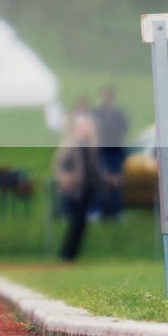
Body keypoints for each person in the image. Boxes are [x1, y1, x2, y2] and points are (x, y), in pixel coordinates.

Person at [53, 111, 103, 261]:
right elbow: (59, 164)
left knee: (80, 223)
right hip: (75, 189)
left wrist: (109, 179)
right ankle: (67, 254)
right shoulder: (70, 144)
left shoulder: (89, 145)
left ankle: (71, 254)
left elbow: (95, 168)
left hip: (87, 188)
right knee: (76, 222)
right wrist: (65, 177)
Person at [91, 86, 129, 220]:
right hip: (101, 151)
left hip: (116, 152)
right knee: (102, 179)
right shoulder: (96, 113)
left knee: (117, 180)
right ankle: (99, 209)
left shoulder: (118, 114)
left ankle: (116, 210)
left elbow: (124, 129)